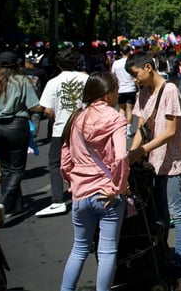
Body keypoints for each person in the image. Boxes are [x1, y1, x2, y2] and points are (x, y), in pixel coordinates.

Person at [59, 71, 129, 291]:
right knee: (107, 251)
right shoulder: (115, 117)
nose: (119, 94)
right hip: (106, 193)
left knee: (79, 249)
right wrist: (118, 188)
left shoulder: (76, 118)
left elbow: (65, 159)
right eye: (116, 90)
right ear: (107, 94)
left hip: (80, 193)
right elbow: (120, 156)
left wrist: (73, 183)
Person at [126, 51, 181, 281]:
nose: (135, 79)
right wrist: (132, 154)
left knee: (177, 213)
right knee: (160, 214)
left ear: (148, 67)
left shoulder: (170, 90)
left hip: (171, 162)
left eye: (136, 74)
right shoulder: (143, 93)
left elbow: (171, 131)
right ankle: (164, 258)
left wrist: (140, 151)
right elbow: (140, 128)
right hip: (152, 164)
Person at [0, 50, 44, 227]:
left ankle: (13, 206)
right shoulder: (22, 81)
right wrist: (47, 109)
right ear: (17, 64)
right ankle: (3, 202)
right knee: (17, 169)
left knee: (6, 168)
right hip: (17, 126)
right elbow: (34, 106)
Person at [36, 48, 89, 218]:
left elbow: (47, 110)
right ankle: (86, 193)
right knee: (85, 161)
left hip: (61, 128)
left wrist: (55, 117)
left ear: (58, 64)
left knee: (56, 163)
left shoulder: (53, 82)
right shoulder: (86, 78)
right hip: (84, 128)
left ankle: (57, 200)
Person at [111, 45, 136, 137]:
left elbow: (113, 75)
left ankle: (120, 128)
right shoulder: (131, 63)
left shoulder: (116, 63)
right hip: (130, 88)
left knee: (121, 109)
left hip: (120, 88)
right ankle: (128, 129)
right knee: (129, 109)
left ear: (121, 52)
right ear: (129, 52)